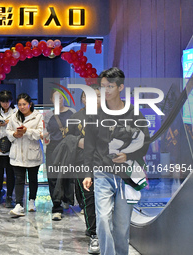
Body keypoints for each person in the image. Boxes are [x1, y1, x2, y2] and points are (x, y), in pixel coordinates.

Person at [82, 67, 150, 255]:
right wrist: (88, 173)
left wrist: (128, 156)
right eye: (103, 86)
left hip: (126, 176)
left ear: (120, 87)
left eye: (110, 86)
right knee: (103, 220)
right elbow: (89, 147)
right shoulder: (94, 114)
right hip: (102, 173)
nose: (106, 90)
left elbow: (145, 141)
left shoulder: (134, 114)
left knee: (121, 228)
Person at [67, 84, 101, 254]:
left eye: (97, 96)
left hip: (104, 164)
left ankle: (104, 230)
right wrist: (78, 140)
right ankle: (93, 232)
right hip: (82, 163)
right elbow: (67, 138)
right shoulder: (76, 117)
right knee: (89, 198)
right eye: (88, 96)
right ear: (82, 99)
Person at [6, 93, 43, 216]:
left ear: (30, 104)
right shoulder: (14, 117)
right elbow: (8, 131)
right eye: (20, 104)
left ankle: (32, 200)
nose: (22, 107)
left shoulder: (37, 117)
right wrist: (14, 135)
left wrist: (27, 131)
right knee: (19, 179)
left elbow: (41, 133)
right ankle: (19, 204)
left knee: (33, 179)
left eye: (24, 104)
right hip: (17, 152)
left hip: (32, 152)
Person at [45, 89, 76, 221]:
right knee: (53, 176)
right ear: (51, 100)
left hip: (69, 147)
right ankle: (56, 207)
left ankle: (66, 199)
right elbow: (45, 132)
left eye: (61, 98)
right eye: (55, 98)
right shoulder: (48, 115)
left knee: (67, 176)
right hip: (53, 147)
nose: (59, 100)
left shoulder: (72, 112)